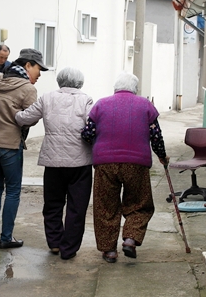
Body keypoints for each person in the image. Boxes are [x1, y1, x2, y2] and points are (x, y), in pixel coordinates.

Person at [81, 72, 169, 263]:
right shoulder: (146, 105)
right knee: (139, 203)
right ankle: (130, 238)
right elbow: (156, 136)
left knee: (106, 207)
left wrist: (100, 144)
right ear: (135, 90)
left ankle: (109, 251)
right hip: (136, 163)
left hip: (105, 164)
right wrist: (162, 156)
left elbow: (87, 134)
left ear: (115, 88)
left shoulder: (101, 104)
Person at [15, 67, 93, 260]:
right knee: (77, 207)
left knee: (53, 204)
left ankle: (55, 243)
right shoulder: (86, 100)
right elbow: (93, 126)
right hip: (80, 162)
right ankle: (69, 249)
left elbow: (25, 118)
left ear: (60, 81)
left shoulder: (47, 98)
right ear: (80, 82)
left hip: (53, 161)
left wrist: (13, 111)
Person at [0, 48, 48, 249]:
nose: (40, 74)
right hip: (8, 145)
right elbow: (31, 119)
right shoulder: (27, 89)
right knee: (13, 190)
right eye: (38, 69)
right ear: (27, 65)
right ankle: (6, 237)